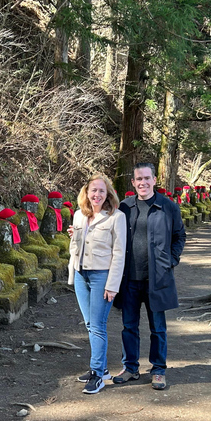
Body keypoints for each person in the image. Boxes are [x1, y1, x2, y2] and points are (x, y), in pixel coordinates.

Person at [114, 162, 186, 390]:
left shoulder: (167, 207)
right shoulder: (124, 208)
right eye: (138, 179)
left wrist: (171, 261)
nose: (143, 182)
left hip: (157, 278)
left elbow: (179, 236)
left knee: (158, 327)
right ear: (133, 182)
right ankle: (131, 367)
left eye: (147, 178)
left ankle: (158, 369)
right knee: (129, 326)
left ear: (155, 180)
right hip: (129, 279)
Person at [67, 174, 127, 394]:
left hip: (102, 276)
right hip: (81, 275)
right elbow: (76, 249)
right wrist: (74, 237)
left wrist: (113, 285)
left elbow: (119, 253)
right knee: (90, 324)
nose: (97, 195)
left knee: (98, 325)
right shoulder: (79, 216)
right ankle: (100, 368)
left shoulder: (116, 217)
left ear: (108, 194)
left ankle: (97, 374)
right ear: (86, 193)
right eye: (94, 190)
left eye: (102, 191)